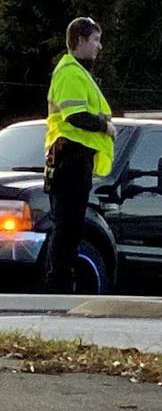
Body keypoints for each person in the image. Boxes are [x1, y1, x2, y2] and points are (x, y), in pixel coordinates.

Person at [43, 17, 116, 292]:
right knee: (68, 226)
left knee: (71, 227)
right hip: (70, 157)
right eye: (95, 40)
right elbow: (75, 116)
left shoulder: (77, 72)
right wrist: (104, 126)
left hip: (73, 158)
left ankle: (61, 282)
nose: (100, 46)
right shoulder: (70, 72)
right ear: (79, 41)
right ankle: (59, 285)